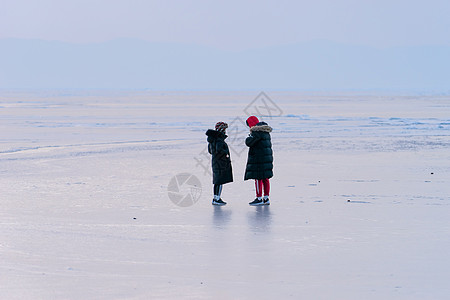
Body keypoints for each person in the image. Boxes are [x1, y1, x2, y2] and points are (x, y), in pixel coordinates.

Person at [244, 116, 273, 206]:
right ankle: (266, 198)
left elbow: (248, 142)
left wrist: (250, 135)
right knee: (265, 178)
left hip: (259, 158)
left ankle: (259, 198)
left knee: (258, 178)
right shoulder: (265, 132)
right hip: (266, 158)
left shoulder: (256, 132)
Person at [206, 122, 233, 206]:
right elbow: (219, 150)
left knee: (217, 181)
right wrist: (226, 153)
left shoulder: (212, 139)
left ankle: (216, 197)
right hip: (221, 162)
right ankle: (217, 198)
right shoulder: (219, 139)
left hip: (215, 161)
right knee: (220, 181)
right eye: (224, 129)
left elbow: (210, 151)